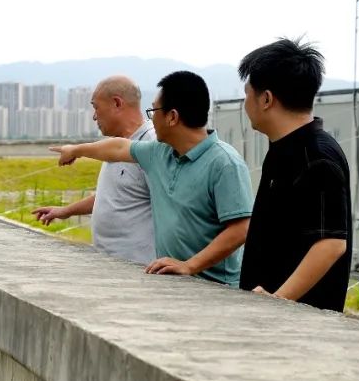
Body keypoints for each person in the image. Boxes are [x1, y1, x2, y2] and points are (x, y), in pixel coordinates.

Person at [49, 71, 253, 285]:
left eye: (154, 110)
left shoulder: (224, 163)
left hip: (215, 290)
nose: (150, 118)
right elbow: (119, 147)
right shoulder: (160, 153)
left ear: (172, 117)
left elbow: (241, 228)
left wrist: (190, 265)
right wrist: (76, 150)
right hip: (172, 282)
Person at [236, 38, 351, 312]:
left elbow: (331, 243)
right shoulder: (283, 149)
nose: (245, 103)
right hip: (269, 314)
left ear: (266, 99)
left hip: (299, 324)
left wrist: (277, 300)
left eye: (247, 94)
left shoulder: (318, 156)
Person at [32, 76, 155, 264]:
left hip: (139, 268)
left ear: (116, 103)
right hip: (111, 264)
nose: (94, 116)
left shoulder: (149, 144)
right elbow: (113, 195)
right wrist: (65, 211)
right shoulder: (113, 147)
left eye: (96, 107)